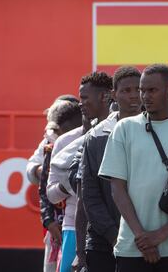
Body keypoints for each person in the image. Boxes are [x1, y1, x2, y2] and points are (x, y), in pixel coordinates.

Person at [98, 64, 168, 272]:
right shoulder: (124, 129)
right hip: (132, 247)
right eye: (142, 90)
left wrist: (163, 233)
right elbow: (117, 188)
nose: (144, 96)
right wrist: (142, 236)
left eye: (152, 90)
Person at [47, 71, 112, 272]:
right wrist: (71, 183)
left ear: (105, 97)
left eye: (84, 98)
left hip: (115, 228)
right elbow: (51, 193)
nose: (80, 103)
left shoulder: (122, 133)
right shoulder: (65, 142)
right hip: (73, 228)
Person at [81, 66, 142, 272]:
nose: (134, 96)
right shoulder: (96, 137)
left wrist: (145, 235)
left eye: (138, 89)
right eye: (126, 90)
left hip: (147, 243)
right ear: (113, 95)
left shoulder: (159, 132)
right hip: (103, 242)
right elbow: (90, 195)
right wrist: (114, 235)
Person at [26, 95, 80, 272]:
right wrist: (46, 171)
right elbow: (33, 171)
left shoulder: (82, 136)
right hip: (55, 218)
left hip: (75, 218)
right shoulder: (47, 142)